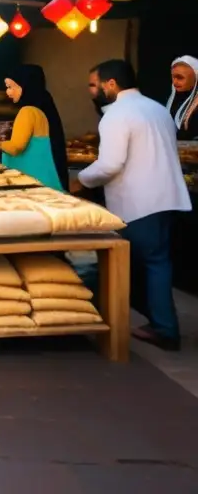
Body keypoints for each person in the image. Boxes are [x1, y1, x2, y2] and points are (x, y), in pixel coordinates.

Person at [79, 59, 190, 351]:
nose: (92, 91)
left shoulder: (116, 114)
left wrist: (81, 179)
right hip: (169, 198)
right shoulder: (157, 109)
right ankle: (162, 324)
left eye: (95, 85)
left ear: (111, 84)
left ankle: (159, 327)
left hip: (140, 202)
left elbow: (110, 165)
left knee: (129, 264)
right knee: (156, 263)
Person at [0, 64, 68, 190]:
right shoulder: (45, 107)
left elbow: (16, 147)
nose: (8, 92)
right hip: (48, 181)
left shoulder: (28, 111)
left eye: (11, 87)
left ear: (25, 85)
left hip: (31, 182)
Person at [166, 56, 198, 141]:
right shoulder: (172, 100)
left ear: (195, 78)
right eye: (173, 77)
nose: (175, 82)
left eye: (180, 77)